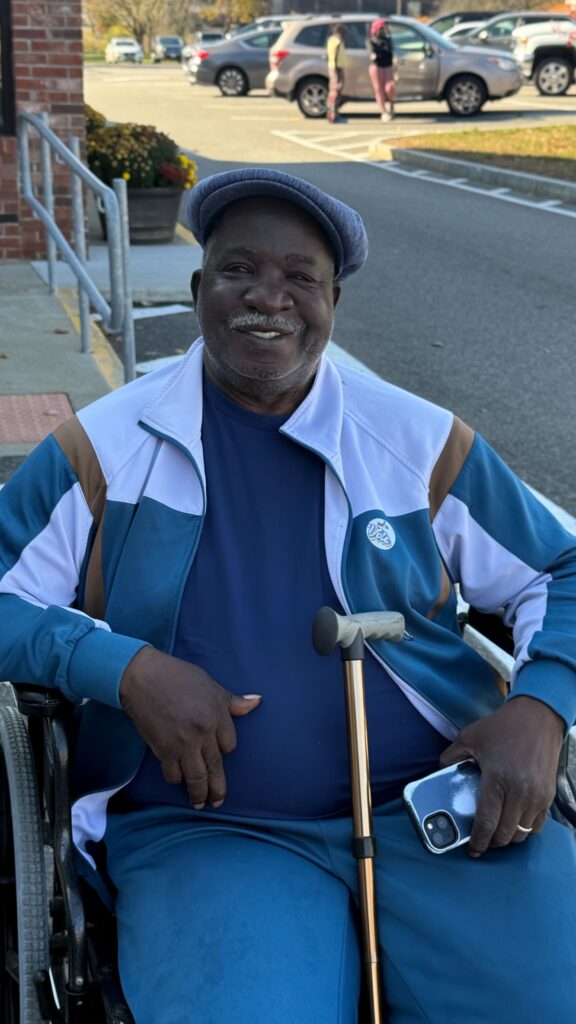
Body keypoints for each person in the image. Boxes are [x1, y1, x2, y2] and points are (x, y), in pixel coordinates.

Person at [0, 167, 575, 1024]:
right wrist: (123, 669)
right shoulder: (102, 447)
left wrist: (544, 708)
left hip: (443, 813)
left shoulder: (417, 440)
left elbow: (561, 570)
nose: (268, 298)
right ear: (199, 288)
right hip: (209, 833)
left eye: (299, 277)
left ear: (332, 300)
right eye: (239, 270)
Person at [368, 18, 395, 121]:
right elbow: (371, 53)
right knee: (378, 89)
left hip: (387, 65)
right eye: (380, 28)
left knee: (389, 87)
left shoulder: (388, 40)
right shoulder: (371, 41)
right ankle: (383, 111)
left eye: (383, 28)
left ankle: (392, 104)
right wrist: (374, 54)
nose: (382, 30)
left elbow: (390, 52)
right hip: (376, 66)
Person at [326, 23, 347, 123]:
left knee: (336, 89)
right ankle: (332, 113)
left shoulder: (332, 40)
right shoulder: (337, 41)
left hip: (335, 66)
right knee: (335, 90)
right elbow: (334, 54)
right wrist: (335, 68)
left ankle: (334, 111)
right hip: (336, 67)